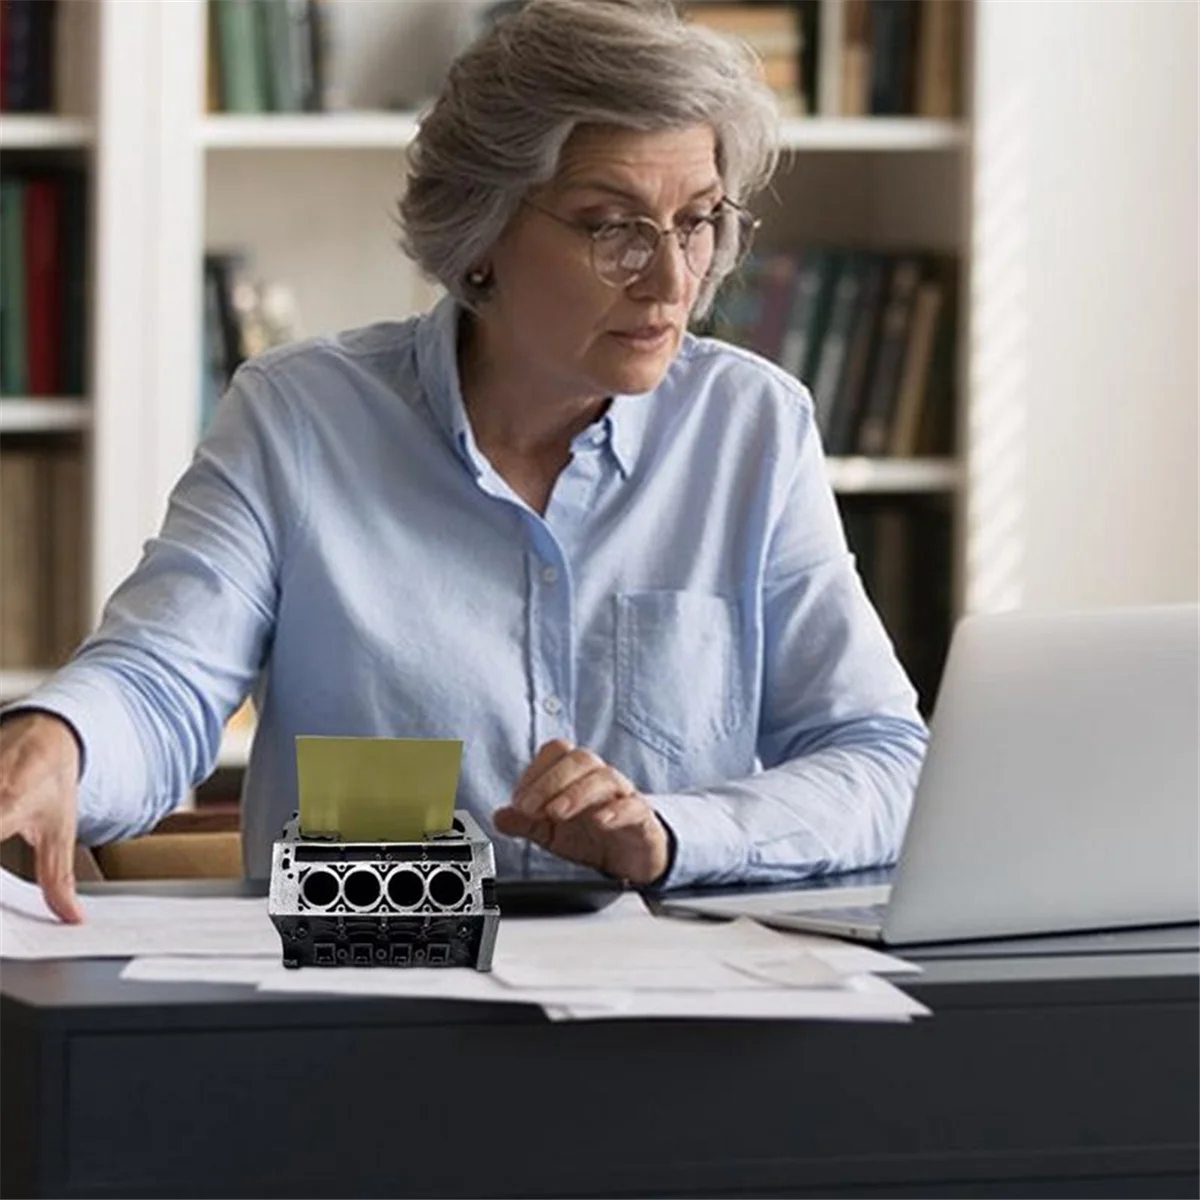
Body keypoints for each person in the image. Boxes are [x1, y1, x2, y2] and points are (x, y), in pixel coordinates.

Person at [0, 0, 927, 924]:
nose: (674, 281)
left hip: (671, 1005)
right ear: (482, 233)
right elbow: (163, 682)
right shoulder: (302, 417)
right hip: (375, 985)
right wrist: (59, 742)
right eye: (615, 227)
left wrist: (676, 834)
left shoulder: (749, 427)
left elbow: (885, 759)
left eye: (696, 222)